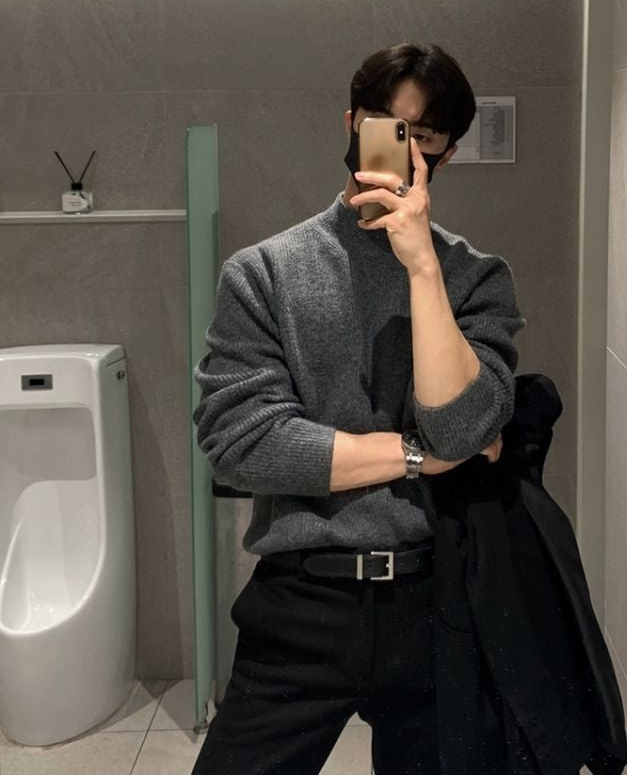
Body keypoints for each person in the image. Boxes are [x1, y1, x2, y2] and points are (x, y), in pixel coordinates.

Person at [190, 42, 526, 775]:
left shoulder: (474, 279)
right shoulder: (263, 273)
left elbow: (462, 424)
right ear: (351, 124)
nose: (402, 149)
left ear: (447, 154)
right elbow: (241, 445)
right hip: (301, 599)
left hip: (439, 598)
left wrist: (422, 266)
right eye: (385, 126)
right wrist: (418, 456)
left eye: (423, 135)